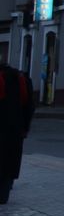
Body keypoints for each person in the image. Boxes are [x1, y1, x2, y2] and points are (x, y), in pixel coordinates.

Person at [0, 60, 36, 205]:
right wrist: (25, 127)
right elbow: (29, 105)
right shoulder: (21, 78)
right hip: (14, 128)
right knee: (10, 159)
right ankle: (4, 192)